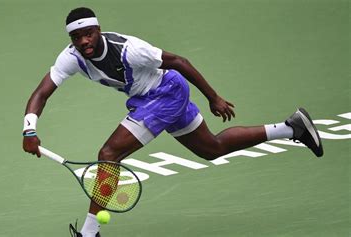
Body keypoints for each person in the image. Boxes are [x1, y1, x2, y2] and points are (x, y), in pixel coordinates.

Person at [22, 7, 324, 237]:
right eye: (77, 37)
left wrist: (213, 97)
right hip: (152, 98)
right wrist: (30, 128)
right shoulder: (71, 57)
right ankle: (291, 127)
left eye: (88, 33)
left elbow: (178, 61)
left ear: (98, 30)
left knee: (109, 154)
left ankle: (89, 233)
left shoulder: (130, 49)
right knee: (212, 148)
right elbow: (42, 92)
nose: (84, 41)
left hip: (164, 93)